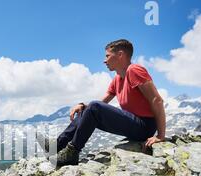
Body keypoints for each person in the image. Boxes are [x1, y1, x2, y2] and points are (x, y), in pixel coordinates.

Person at [38, 39, 166, 168]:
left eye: (107, 56)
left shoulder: (134, 70)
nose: (104, 60)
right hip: (133, 125)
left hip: (144, 127)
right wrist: (82, 105)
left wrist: (160, 136)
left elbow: (157, 100)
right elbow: (99, 105)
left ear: (120, 55)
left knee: (93, 107)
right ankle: (57, 146)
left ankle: (72, 152)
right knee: (87, 109)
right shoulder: (117, 79)